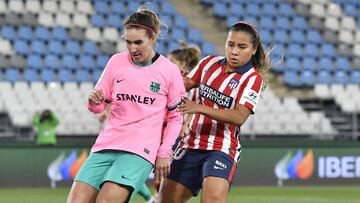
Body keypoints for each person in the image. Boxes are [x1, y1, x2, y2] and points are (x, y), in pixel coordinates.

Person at [67, 8, 185, 203]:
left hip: (140, 150)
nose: (132, 48)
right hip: (106, 144)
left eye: (138, 42)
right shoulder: (116, 62)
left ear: (153, 37)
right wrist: (93, 103)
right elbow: (100, 106)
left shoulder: (170, 71)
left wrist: (164, 153)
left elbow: (175, 117)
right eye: (128, 42)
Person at [158, 21, 271, 203]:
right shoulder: (208, 63)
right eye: (231, 44)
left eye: (242, 47)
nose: (234, 51)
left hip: (221, 149)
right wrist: (165, 72)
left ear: (253, 49)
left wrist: (199, 107)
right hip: (189, 145)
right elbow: (182, 86)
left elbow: (238, 116)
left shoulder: (252, 79)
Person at [97, 104, 157, 203]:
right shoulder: (119, 98)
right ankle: (150, 200)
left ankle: (149, 199)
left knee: (124, 178)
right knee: (125, 177)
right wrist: (106, 113)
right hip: (114, 140)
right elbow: (114, 101)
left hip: (133, 142)